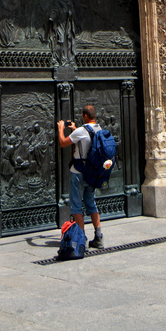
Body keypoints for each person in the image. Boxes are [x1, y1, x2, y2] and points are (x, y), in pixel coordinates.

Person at [57, 105, 104, 249]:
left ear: (84, 115)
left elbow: (63, 142)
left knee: (76, 205)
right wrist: (75, 130)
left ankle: (81, 239)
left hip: (78, 173)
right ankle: (99, 236)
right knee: (91, 202)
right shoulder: (99, 129)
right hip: (93, 173)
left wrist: (60, 129)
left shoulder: (81, 131)